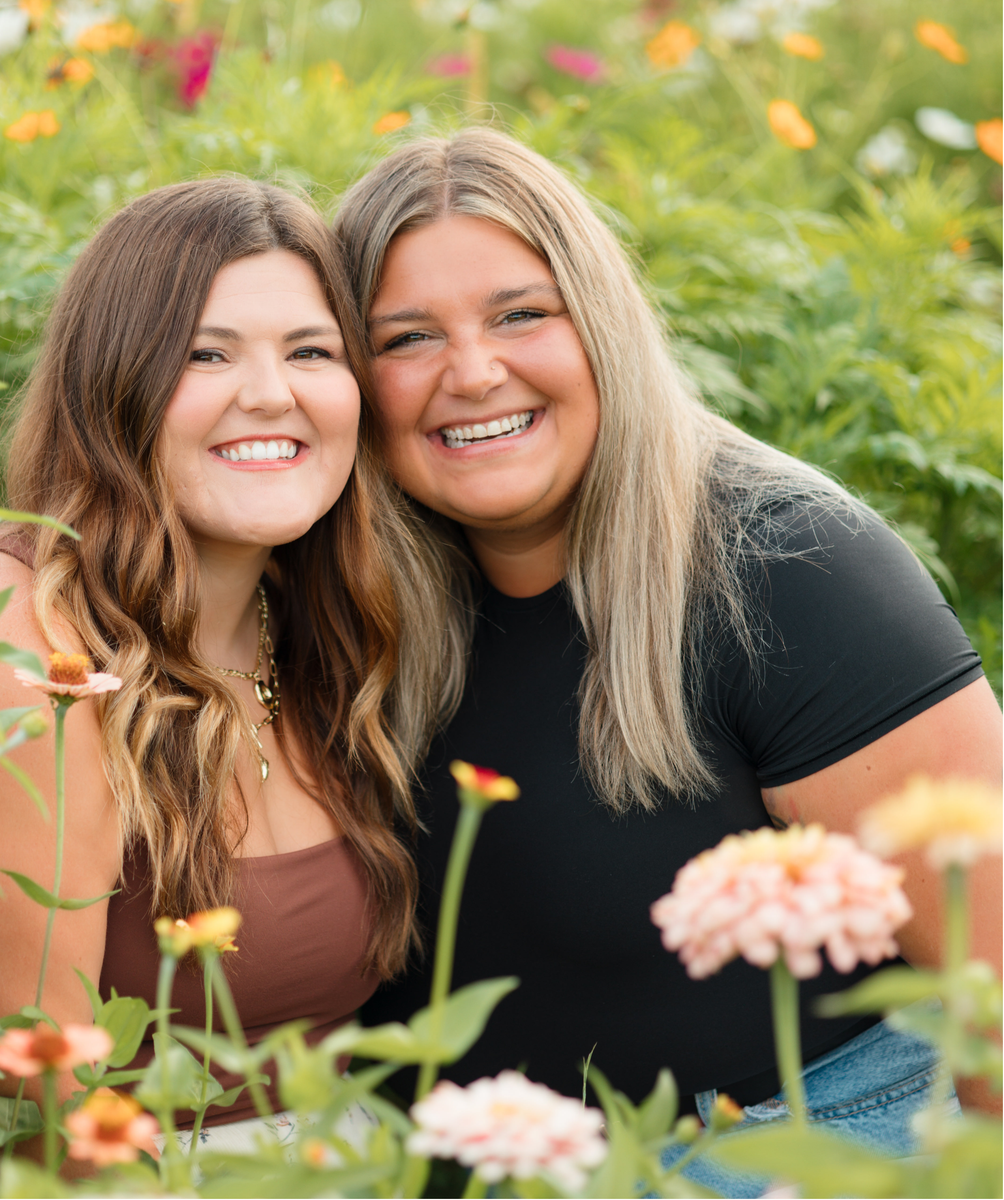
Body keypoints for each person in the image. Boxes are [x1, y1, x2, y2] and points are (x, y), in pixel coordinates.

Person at [334, 129, 1002, 1196]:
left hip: (776, 1157)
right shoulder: (345, 594)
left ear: (601, 321)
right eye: (405, 337)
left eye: (521, 314)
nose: (472, 372)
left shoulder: (789, 571)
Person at [0, 177, 461, 1193]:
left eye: (311, 351)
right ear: (113, 383)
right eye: (206, 354)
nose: (271, 393)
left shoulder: (318, 629)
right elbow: (32, 1113)